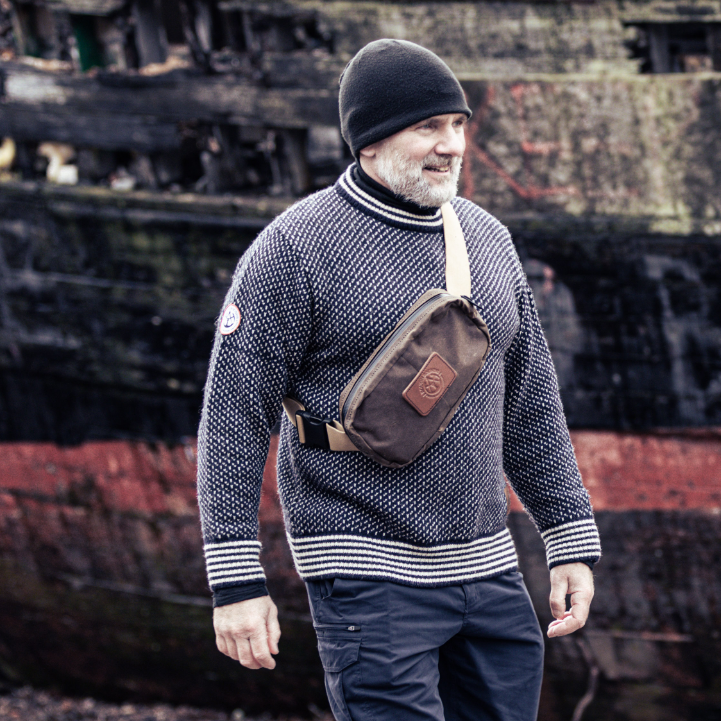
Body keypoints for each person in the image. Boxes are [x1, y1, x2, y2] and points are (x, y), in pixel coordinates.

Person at [197, 39, 601, 721]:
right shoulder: (293, 250)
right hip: (365, 574)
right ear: (370, 142)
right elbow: (233, 415)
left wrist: (568, 536)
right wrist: (235, 579)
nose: (452, 146)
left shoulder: (487, 240)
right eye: (428, 127)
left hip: (489, 564)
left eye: (457, 124)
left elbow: (529, 401)